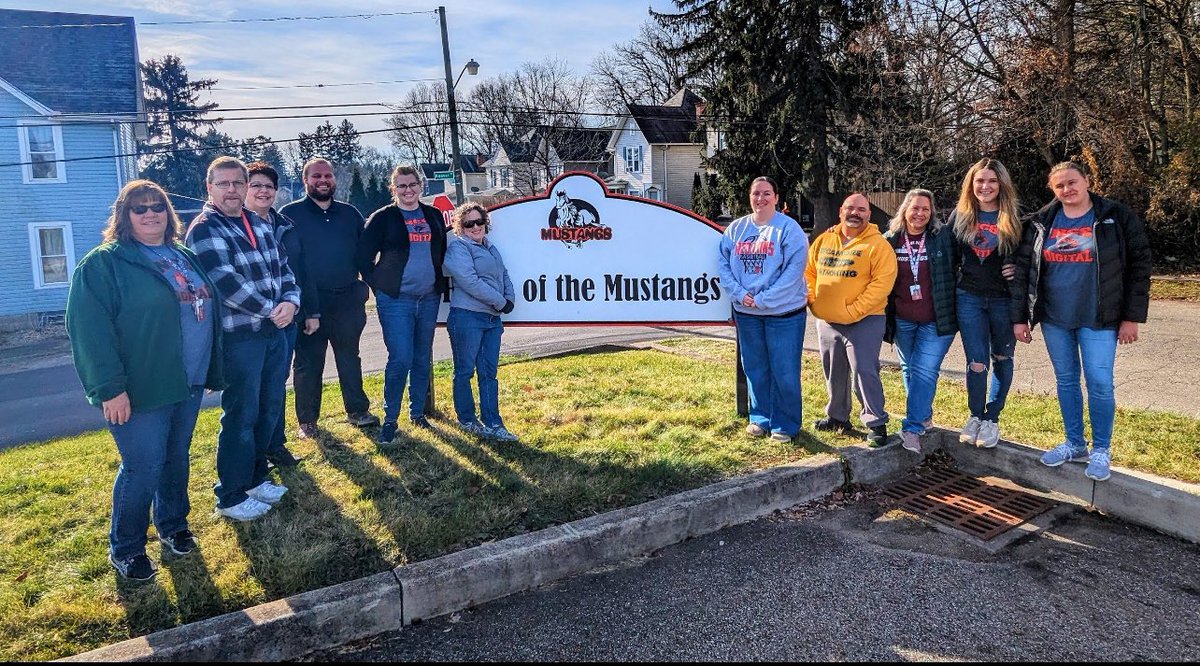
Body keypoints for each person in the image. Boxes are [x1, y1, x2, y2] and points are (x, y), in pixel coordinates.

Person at [66, 179, 223, 581]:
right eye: (140, 208)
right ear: (124, 216)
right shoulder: (103, 264)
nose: (151, 213)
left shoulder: (182, 254)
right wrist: (110, 390)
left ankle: (173, 526)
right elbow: (89, 331)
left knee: (176, 459)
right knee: (142, 468)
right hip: (140, 387)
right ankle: (127, 548)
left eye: (158, 206)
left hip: (185, 380)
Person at [1013, 161, 1152, 482]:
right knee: (1066, 381)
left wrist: (1132, 317)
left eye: (1072, 182)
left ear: (1087, 181)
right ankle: (1075, 443)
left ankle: (1101, 448)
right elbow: (1024, 271)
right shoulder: (1042, 223)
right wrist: (1020, 317)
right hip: (1055, 319)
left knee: (1100, 383)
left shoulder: (1114, 217)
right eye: (1059, 186)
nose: (1067, 190)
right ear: (1052, 189)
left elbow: (1139, 265)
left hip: (1100, 318)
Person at [187, 156, 299, 522]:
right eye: (224, 184)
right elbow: (225, 282)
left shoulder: (256, 223)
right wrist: (272, 308)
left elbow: (284, 270)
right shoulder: (205, 228)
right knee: (241, 414)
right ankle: (230, 494)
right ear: (210, 188)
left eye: (239, 183)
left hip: (274, 332)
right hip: (241, 338)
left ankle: (255, 478)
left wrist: (290, 302)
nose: (232, 190)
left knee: (268, 408)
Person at [280, 158, 378, 438]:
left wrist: (372, 286)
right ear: (305, 181)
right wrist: (304, 306)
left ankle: (357, 411)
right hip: (310, 301)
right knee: (309, 362)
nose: (322, 180)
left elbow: (365, 255)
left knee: (350, 357)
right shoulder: (290, 214)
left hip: (347, 299)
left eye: (328, 175)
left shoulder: (350, 214)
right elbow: (288, 262)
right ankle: (308, 421)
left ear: (334, 179)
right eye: (316, 176)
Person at [355, 164, 449, 444]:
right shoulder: (383, 218)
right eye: (401, 186)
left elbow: (442, 250)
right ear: (393, 189)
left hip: (429, 297)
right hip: (396, 300)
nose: (408, 190)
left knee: (422, 357)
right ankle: (390, 419)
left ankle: (417, 413)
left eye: (412, 184)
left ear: (421, 186)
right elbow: (362, 257)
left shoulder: (432, 215)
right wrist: (380, 287)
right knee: (401, 359)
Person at [717, 176, 809, 442]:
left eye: (767, 193)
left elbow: (793, 272)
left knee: (784, 370)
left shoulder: (788, 229)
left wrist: (763, 299)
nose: (761, 198)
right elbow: (723, 264)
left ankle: (786, 423)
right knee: (755, 367)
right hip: (747, 314)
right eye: (756, 193)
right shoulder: (736, 229)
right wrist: (740, 295)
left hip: (784, 314)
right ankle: (760, 418)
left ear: (777, 197)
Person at [806, 192, 898, 446]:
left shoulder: (878, 246)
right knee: (833, 371)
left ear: (869, 214)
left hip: (865, 320)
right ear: (841, 212)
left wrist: (854, 310)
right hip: (827, 320)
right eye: (850, 208)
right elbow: (809, 272)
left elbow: (882, 285)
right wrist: (814, 301)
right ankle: (837, 417)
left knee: (864, 371)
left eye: (861, 209)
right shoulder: (824, 240)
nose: (855, 213)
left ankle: (876, 422)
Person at [245, 161, 319, 467]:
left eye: (269, 187)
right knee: (253, 393)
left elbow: (300, 270)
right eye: (256, 185)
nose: (263, 191)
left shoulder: (285, 225)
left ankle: (276, 446)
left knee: (277, 385)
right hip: (249, 325)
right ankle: (253, 457)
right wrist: (270, 310)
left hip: (288, 317)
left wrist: (307, 309)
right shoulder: (235, 225)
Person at [951, 158, 1022, 449]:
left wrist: (1018, 268)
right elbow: (943, 251)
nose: (985, 186)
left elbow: (1032, 255)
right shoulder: (960, 216)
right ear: (971, 184)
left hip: (1003, 300)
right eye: (979, 181)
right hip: (969, 297)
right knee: (976, 362)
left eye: (992, 181)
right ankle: (975, 416)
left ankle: (992, 417)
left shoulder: (1016, 217)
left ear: (1001, 184)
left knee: (1002, 358)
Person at [883, 189, 958, 454]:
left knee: (925, 370)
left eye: (925, 209)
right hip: (902, 319)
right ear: (904, 210)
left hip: (936, 320)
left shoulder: (943, 238)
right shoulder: (889, 241)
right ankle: (923, 414)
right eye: (915, 208)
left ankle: (912, 427)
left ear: (932, 213)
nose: (920, 214)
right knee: (909, 369)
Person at [442, 202, 519, 442]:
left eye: (479, 221)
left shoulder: (490, 248)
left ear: (485, 223)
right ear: (460, 227)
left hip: (491, 320)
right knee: (464, 372)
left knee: (489, 373)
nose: (475, 227)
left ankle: (494, 423)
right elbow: (469, 281)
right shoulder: (459, 248)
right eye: (469, 223)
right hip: (467, 316)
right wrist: (500, 302)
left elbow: (503, 274)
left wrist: (510, 298)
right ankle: (467, 420)